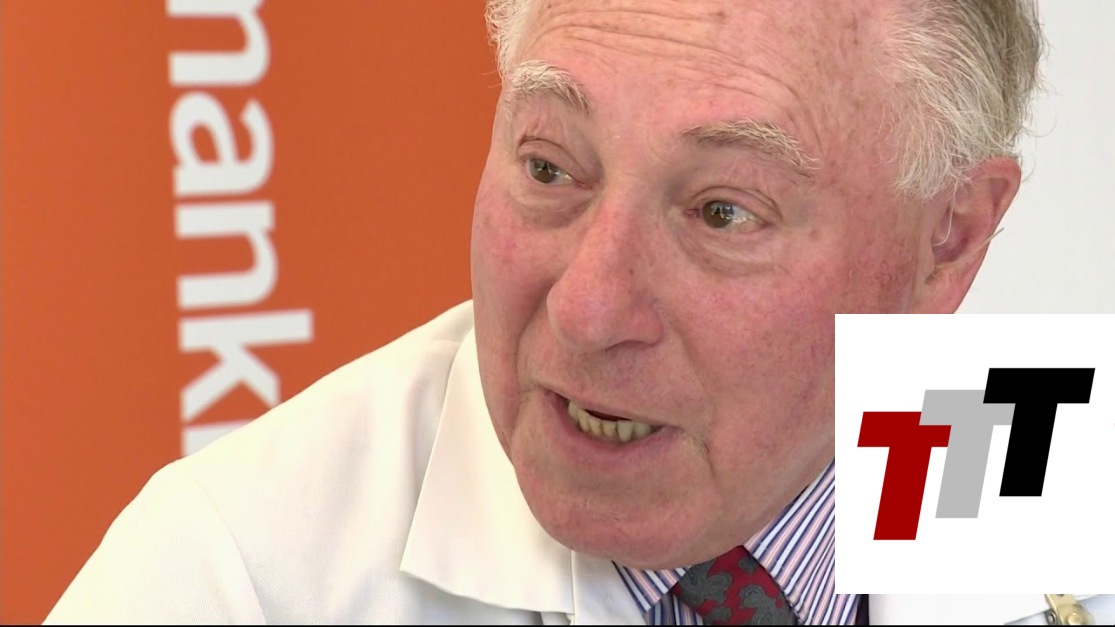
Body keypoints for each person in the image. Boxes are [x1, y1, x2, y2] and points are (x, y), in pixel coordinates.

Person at [45, 0, 1109, 624]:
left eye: (721, 211)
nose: (589, 307)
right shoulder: (232, 579)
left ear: (945, 242)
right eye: (550, 167)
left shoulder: (1054, 470)